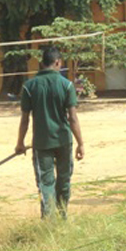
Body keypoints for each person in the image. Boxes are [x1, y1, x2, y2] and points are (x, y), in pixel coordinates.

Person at [15, 46, 85, 218]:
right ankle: (62, 216)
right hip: (63, 141)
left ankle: (49, 220)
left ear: (41, 63)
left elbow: (25, 119)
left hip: (41, 143)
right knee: (64, 181)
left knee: (45, 184)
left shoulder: (29, 87)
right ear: (57, 62)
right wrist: (80, 143)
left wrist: (20, 143)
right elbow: (73, 118)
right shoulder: (67, 85)